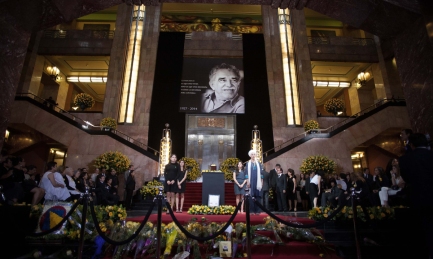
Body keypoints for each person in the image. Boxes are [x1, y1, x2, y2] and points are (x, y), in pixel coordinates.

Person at [399, 133, 433, 258]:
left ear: (411, 144)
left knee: (422, 231)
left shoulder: (405, 159)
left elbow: (406, 178)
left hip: (418, 198)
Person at [245, 150, 264, 215]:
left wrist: (261, 181)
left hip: (257, 182)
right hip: (251, 182)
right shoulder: (248, 163)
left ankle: (258, 210)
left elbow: (261, 174)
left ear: (255, 155)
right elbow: (246, 173)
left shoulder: (259, 163)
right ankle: (252, 211)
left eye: (254, 154)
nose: (253, 155)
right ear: (250, 155)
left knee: (258, 196)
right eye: (252, 154)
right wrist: (247, 181)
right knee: (251, 196)